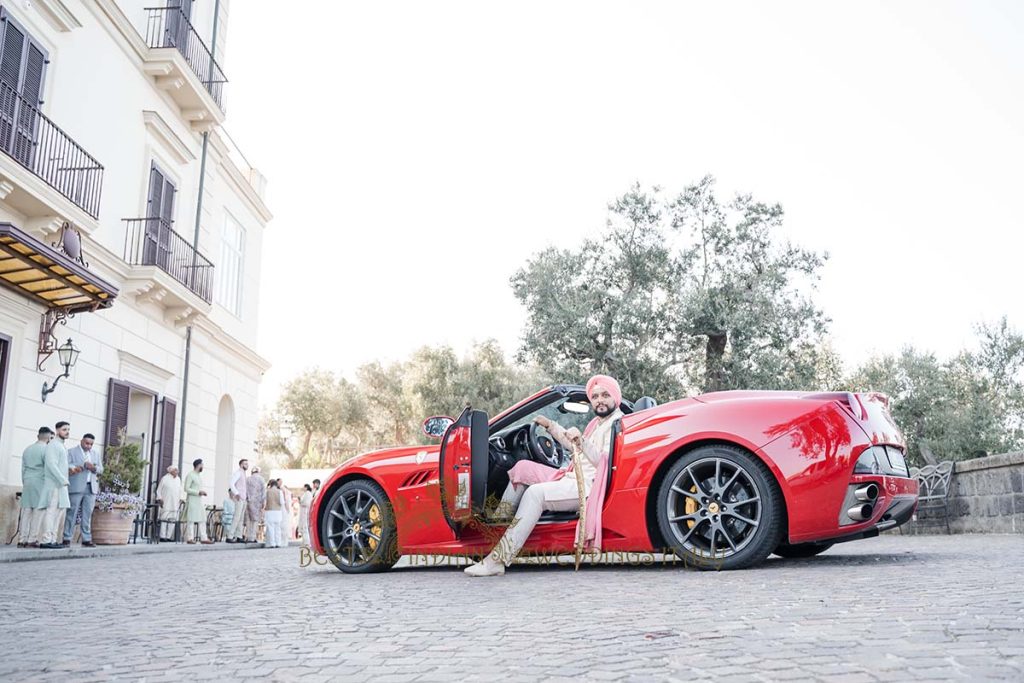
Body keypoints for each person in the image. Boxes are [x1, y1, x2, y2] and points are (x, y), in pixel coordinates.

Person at [465, 375, 624, 577]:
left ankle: (498, 560)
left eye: (605, 395)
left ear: (615, 397)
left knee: (535, 494)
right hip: (571, 476)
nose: (599, 400)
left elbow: (605, 462)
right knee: (522, 468)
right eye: (595, 396)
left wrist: (581, 441)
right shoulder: (597, 423)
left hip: (587, 486)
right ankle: (493, 534)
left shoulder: (617, 424)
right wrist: (551, 426)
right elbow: (574, 445)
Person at [35, 421, 72, 549]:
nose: (67, 432)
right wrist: (63, 479)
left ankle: (53, 539)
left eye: (68, 429)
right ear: (57, 431)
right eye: (64, 429)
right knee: (51, 512)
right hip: (54, 485)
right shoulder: (53, 445)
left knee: (59, 513)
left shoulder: (61, 446)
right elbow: (51, 464)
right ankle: (46, 540)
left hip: (61, 485)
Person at [64, 433, 102, 547]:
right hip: (76, 486)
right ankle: (67, 537)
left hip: (91, 487)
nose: (89, 446)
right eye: (87, 443)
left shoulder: (95, 453)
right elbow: (66, 465)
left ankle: (86, 538)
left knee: (88, 514)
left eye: (91, 444)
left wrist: (94, 468)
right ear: (81, 441)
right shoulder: (71, 452)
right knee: (72, 512)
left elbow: (101, 469)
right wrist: (76, 467)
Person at [17, 427, 51, 548]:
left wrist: (25, 481)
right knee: (38, 511)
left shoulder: (27, 449)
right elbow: (48, 468)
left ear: (38, 436)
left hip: (27, 481)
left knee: (26, 511)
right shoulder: (47, 450)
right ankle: (32, 539)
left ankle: (22, 539)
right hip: (40, 481)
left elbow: (23, 468)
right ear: (48, 438)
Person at [184, 458, 213, 544]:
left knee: (202, 519)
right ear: (198, 465)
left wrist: (201, 492)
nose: (203, 467)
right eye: (202, 465)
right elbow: (186, 488)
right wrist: (198, 492)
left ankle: (204, 538)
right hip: (192, 500)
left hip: (199, 501)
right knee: (191, 520)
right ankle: (190, 538)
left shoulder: (198, 476)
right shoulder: (190, 475)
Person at [156, 465, 184, 541]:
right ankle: (162, 536)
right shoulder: (164, 478)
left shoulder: (178, 479)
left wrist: (181, 498)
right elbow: (159, 490)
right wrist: (160, 499)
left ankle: (168, 536)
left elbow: (180, 490)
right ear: (171, 471)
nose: (177, 472)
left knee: (172, 519)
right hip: (166, 501)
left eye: (177, 470)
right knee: (164, 518)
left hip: (175, 503)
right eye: (175, 470)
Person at [225, 458, 249, 543]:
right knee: (236, 517)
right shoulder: (238, 473)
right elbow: (231, 483)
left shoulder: (244, 474)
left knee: (241, 518)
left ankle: (239, 535)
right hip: (239, 498)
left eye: (247, 464)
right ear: (241, 465)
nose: (247, 465)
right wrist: (236, 493)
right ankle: (230, 536)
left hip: (243, 498)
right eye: (245, 464)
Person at [244, 466, 266, 543]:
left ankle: (248, 536)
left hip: (248, 501)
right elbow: (264, 492)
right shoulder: (261, 479)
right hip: (257, 502)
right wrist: (263, 502)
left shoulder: (248, 479)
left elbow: (245, 490)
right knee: (255, 520)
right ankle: (252, 537)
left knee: (248, 520)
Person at [263, 478, 286, 548]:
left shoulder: (267, 491)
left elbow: (264, 501)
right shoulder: (280, 492)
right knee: (278, 528)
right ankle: (278, 543)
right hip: (278, 511)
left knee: (271, 528)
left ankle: (272, 543)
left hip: (269, 511)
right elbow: (282, 502)